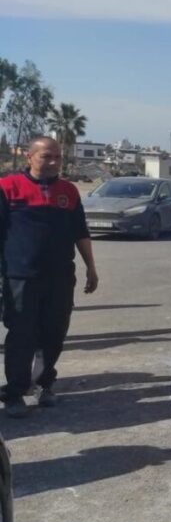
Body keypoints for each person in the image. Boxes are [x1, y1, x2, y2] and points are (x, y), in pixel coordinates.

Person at [0, 136, 98, 418]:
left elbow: (80, 231)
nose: (54, 162)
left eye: (58, 157)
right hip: (20, 277)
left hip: (60, 278)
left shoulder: (69, 191)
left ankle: (44, 384)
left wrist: (91, 267)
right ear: (29, 157)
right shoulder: (7, 188)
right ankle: (15, 393)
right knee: (22, 335)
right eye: (47, 156)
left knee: (53, 334)